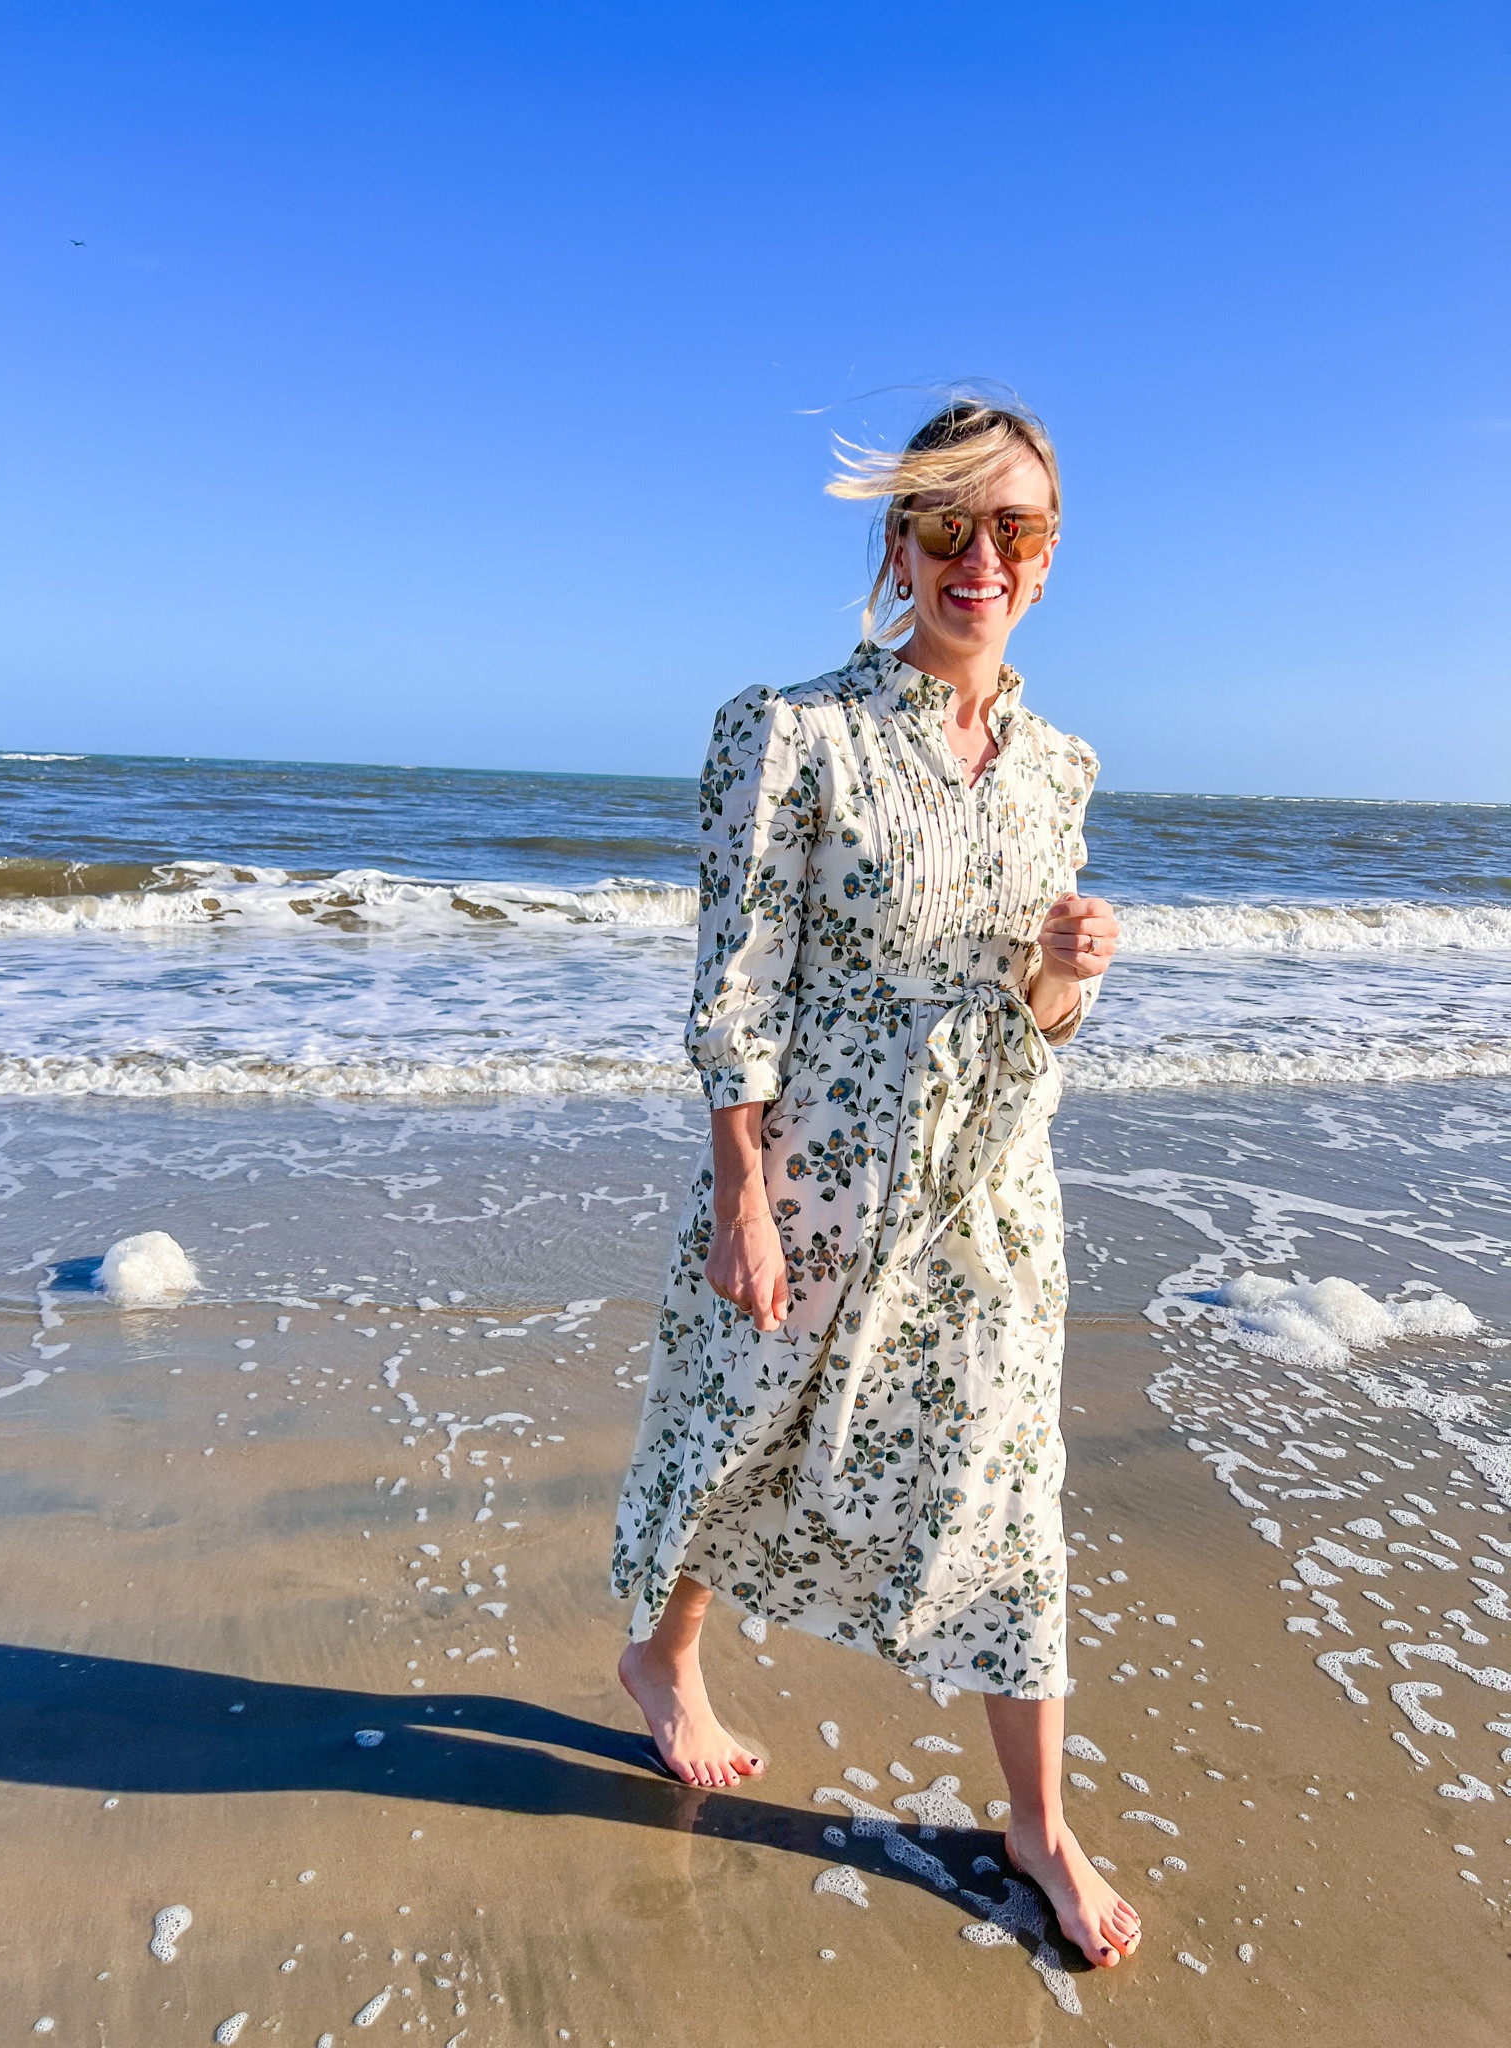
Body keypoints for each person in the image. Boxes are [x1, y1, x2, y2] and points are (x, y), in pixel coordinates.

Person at [611, 397, 1138, 1967]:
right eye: (949, 526)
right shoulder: (790, 732)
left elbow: (1036, 1028)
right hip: (819, 1167)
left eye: (1017, 530)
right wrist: (742, 1196)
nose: (983, 558)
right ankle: (665, 1663)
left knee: (1010, 1481)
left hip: (990, 1188)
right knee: (742, 1432)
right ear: (896, 544)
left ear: (1051, 557)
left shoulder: (1062, 765)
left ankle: (1038, 1823)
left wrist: (1066, 975)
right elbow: (737, 987)